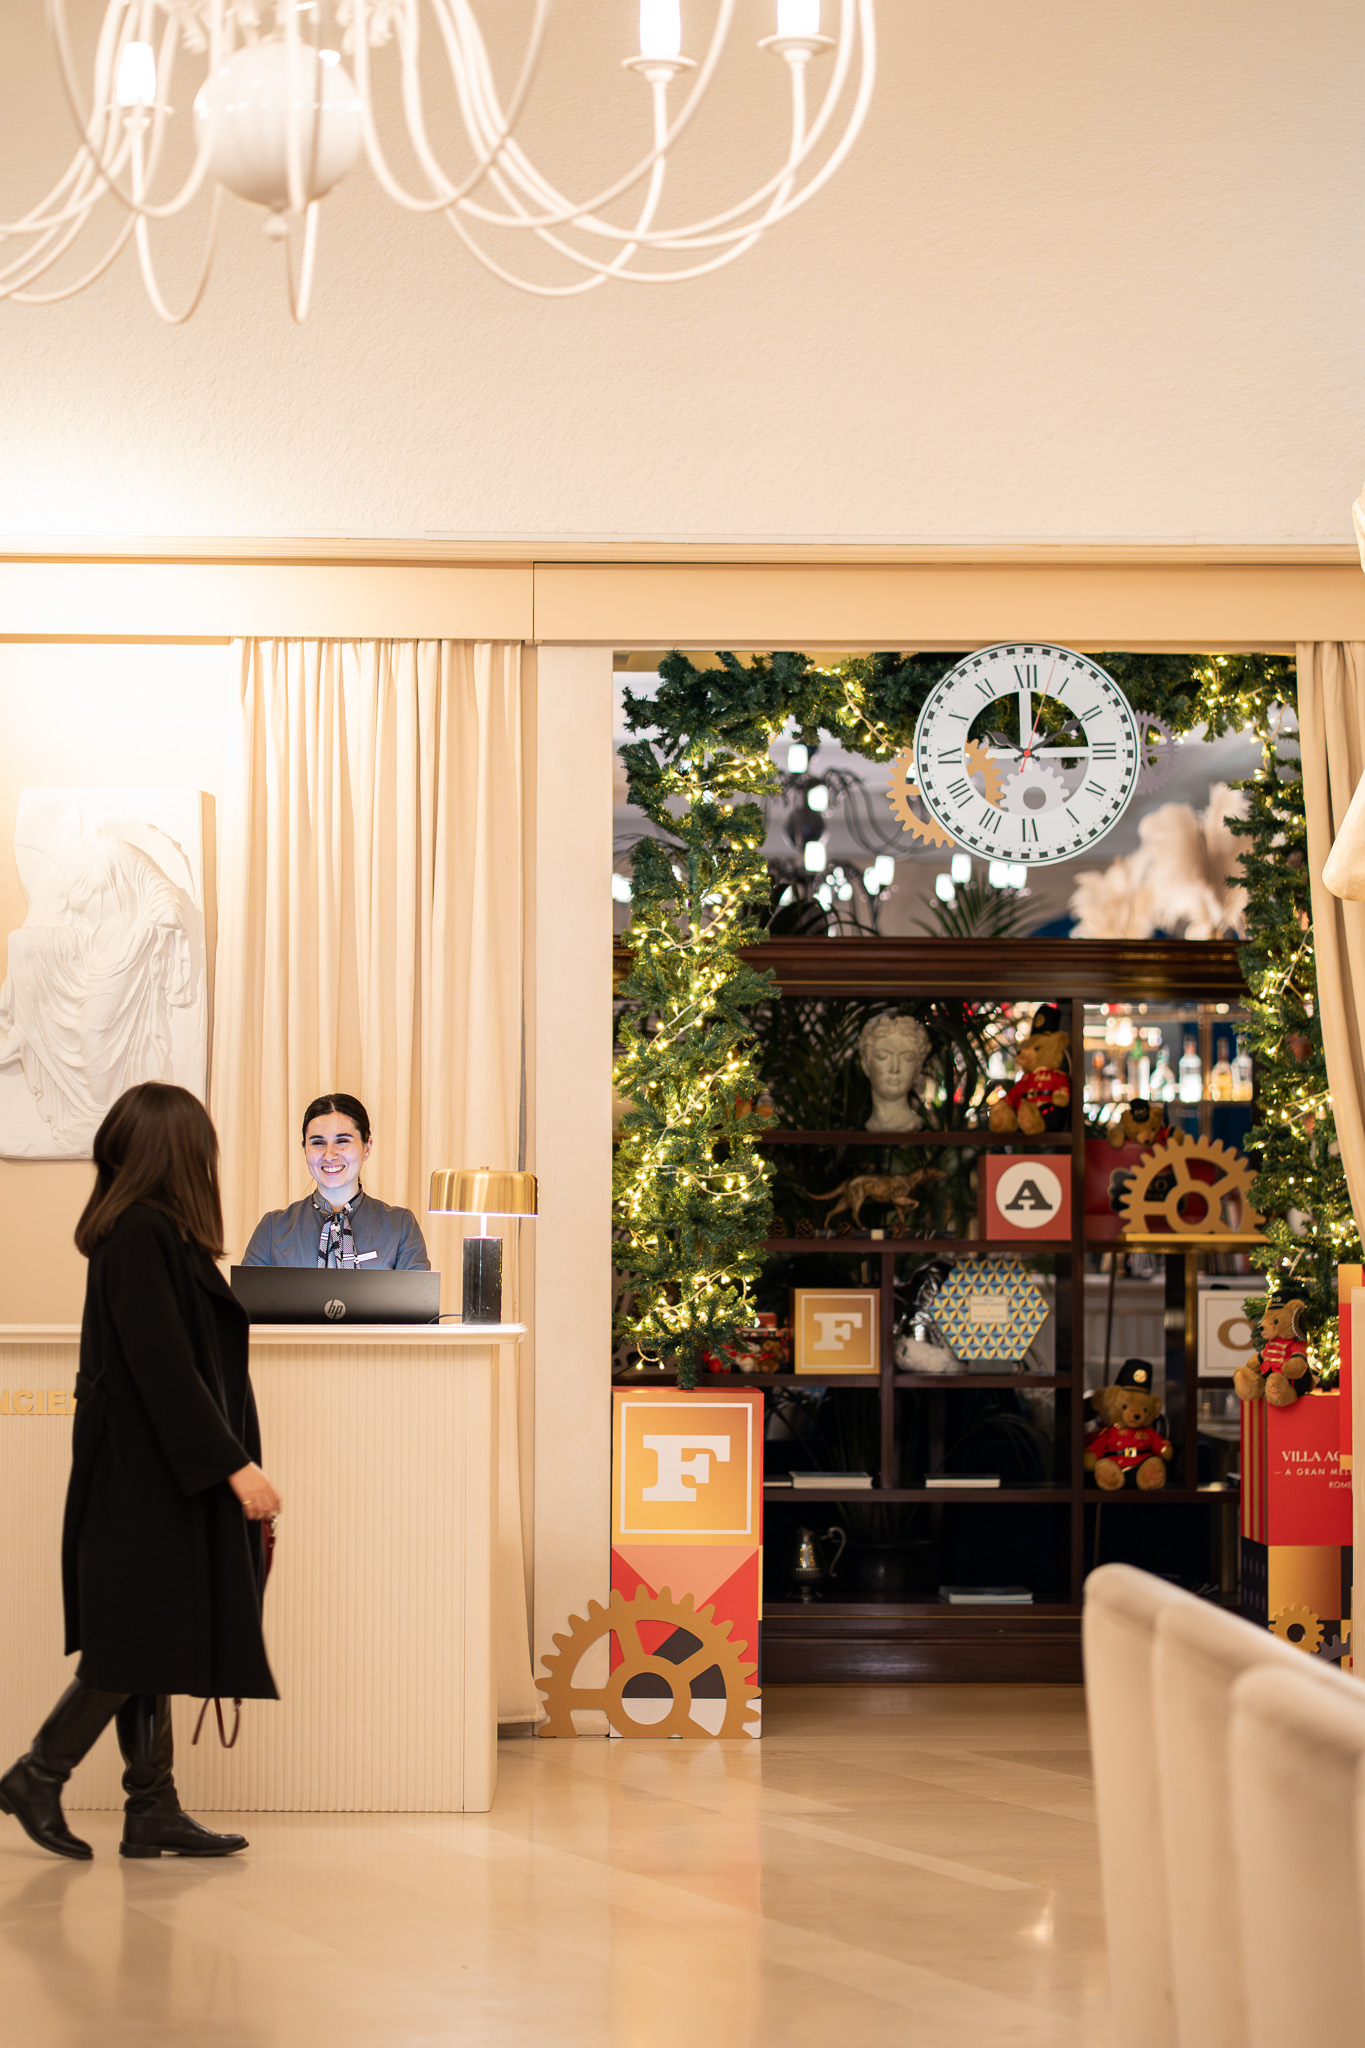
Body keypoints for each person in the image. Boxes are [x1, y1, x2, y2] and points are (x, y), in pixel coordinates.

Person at [0, 1082, 280, 1862]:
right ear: (182, 1152)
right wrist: (236, 1468)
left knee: (152, 1639)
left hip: (154, 1479)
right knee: (132, 1644)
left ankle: (151, 1807)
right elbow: (163, 1371)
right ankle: (37, 1773)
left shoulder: (155, 1234)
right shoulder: (137, 1235)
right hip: (140, 1482)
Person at [242, 1092, 429, 1270]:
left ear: (367, 1147)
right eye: (318, 1142)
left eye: (342, 1141)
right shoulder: (273, 1229)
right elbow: (247, 1300)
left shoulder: (401, 1226)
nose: (329, 1155)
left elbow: (418, 1301)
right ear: (305, 1149)